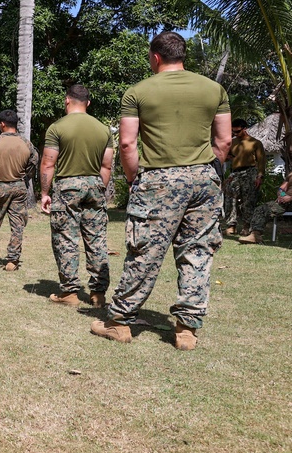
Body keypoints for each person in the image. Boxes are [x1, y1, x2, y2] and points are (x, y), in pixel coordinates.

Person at [91, 31, 231, 351]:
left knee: (145, 252)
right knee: (197, 253)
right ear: (182, 56)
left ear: (155, 57)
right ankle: (186, 331)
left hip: (158, 179)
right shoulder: (214, 89)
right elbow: (223, 142)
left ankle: (121, 323)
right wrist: (208, 172)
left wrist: (133, 179)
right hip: (205, 178)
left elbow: (127, 143)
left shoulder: (138, 92)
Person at [39, 84, 114, 308]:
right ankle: (98, 293)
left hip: (67, 186)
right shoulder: (103, 130)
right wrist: (99, 189)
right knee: (96, 239)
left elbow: (48, 163)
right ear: (88, 103)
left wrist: (44, 193)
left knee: (65, 238)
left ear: (67, 100)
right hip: (95, 184)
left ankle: (70, 292)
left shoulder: (57, 128)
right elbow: (106, 166)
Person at [0, 110, 39, 271]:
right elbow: (33, 164)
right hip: (18, 187)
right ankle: (12, 260)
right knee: (17, 225)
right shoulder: (27, 143)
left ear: (2, 124)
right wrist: (23, 178)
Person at [223, 119, 266, 235]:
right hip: (235, 173)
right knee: (229, 199)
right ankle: (231, 226)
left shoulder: (255, 143)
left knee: (248, 201)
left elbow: (261, 161)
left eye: (237, 132)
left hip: (250, 172)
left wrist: (260, 176)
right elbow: (227, 156)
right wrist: (228, 157)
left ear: (245, 129)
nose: (235, 134)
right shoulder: (233, 142)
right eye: (234, 132)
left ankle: (246, 227)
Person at [238, 172, 292, 244]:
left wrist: (290, 198)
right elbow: (281, 189)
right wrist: (282, 196)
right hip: (284, 203)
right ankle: (255, 235)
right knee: (261, 209)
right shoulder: (291, 174)